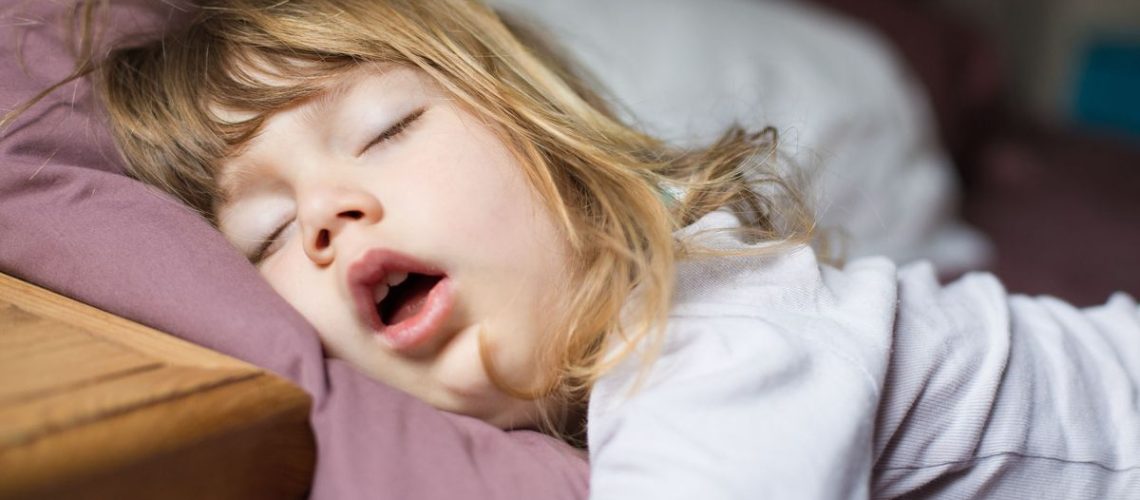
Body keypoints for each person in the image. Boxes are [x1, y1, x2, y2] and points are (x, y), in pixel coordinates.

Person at [8, 0, 1139, 498]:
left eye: (386, 130)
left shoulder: (720, 336)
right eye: (263, 234)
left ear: (550, 149)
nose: (329, 213)